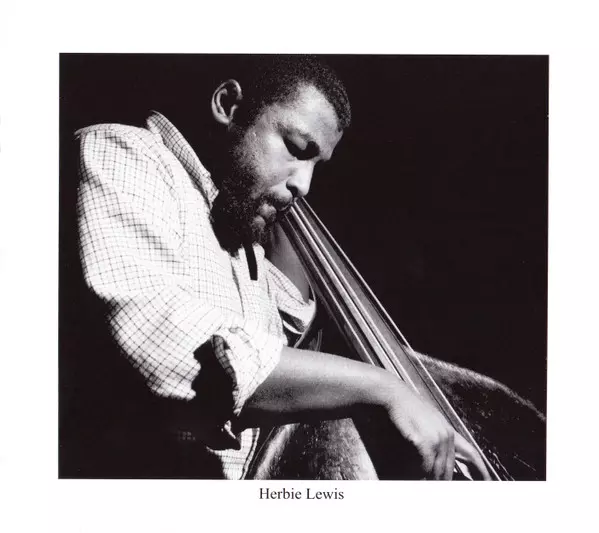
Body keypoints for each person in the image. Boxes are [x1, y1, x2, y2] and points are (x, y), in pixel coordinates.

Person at [68, 56, 490, 480]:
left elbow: (291, 330)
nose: (304, 184)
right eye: (296, 148)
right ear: (228, 105)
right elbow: (160, 342)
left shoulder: (241, 245)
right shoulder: (124, 152)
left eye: (316, 165)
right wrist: (384, 388)